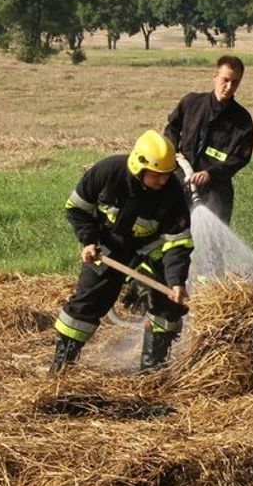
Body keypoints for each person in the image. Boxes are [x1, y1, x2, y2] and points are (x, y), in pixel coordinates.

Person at [50, 130, 194, 373]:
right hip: (105, 249)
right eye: (157, 175)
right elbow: (76, 208)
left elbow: (177, 243)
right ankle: (62, 367)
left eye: (167, 175)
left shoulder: (173, 193)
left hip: (150, 251)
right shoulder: (107, 172)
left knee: (168, 307)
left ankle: (152, 371)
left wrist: (176, 281)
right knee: (86, 302)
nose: (163, 181)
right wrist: (88, 241)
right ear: (139, 167)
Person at [163, 54, 253, 225]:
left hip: (216, 188)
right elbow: (172, 128)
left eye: (235, 82)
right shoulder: (191, 103)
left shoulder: (242, 120)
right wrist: (173, 151)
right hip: (180, 178)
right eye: (225, 80)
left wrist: (210, 174)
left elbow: (240, 158)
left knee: (214, 241)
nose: (229, 86)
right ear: (215, 77)